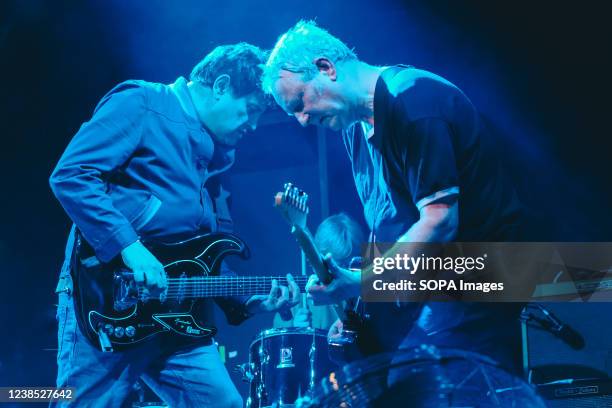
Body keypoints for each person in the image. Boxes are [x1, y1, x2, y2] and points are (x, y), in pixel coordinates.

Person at [263, 21, 545, 406]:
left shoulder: (413, 102)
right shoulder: (353, 126)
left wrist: (362, 281)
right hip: (436, 281)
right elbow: (390, 223)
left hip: (480, 272)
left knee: (420, 385)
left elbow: (440, 220)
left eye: (299, 104)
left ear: (326, 67)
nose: (301, 120)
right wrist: (360, 311)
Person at [49, 43, 300, 407]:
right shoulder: (142, 104)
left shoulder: (215, 157)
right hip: (107, 299)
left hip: (179, 319)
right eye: (251, 109)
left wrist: (249, 300)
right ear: (220, 86)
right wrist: (130, 247)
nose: (254, 124)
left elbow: (200, 255)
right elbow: (71, 175)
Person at [273, 213, 365, 330]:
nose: (346, 274)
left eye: (352, 266)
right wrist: (295, 332)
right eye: (338, 266)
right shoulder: (296, 303)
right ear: (317, 261)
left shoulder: (371, 291)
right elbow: (281, 344)